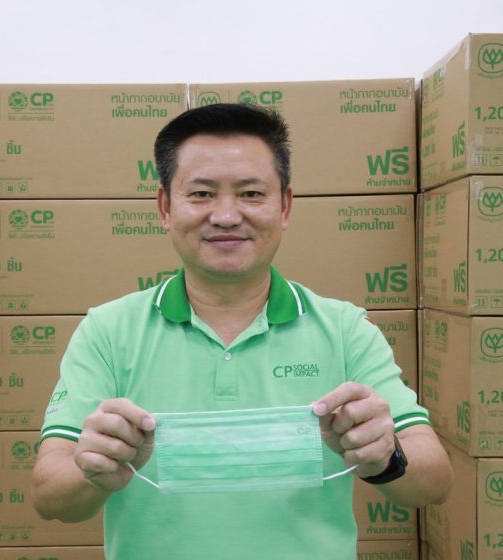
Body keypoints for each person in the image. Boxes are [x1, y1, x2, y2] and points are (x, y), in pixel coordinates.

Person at [32, 103, 453, 559]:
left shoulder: (345, 329)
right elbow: (49, 496)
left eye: (251, 194)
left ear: (285, 206)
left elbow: (435, 481)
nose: (227, 216)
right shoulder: (108, 330)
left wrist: (386, 457)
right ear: (165, 207)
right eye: (201, 194)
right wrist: (93, 471)